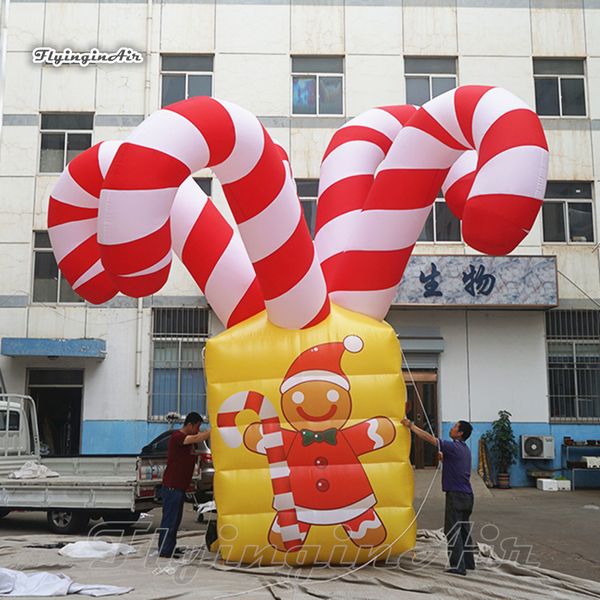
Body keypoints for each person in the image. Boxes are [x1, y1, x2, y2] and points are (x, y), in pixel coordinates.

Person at [401, 417, 475, 576]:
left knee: (452, 530)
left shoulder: (452, 447)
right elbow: (457, 464)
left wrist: (411, 426)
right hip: (467, 496)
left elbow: (430, 439)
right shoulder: (464, 450)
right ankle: (468, 563)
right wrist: (445, 458)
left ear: (460, 433)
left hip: (455, 496)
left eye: (455, 427)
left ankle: (458, 566)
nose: (452, 428)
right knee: (463, 530)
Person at [158, 412, 210, 558]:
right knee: (170, 519)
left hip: (179, 488)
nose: (198, 431)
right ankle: (165, 549)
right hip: (172, 487)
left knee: (175, 520)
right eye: (198, 427)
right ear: (190, 424)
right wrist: (213, 431)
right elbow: (196, 438)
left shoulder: (187, 442)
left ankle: (169, 546)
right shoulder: (178, 437)